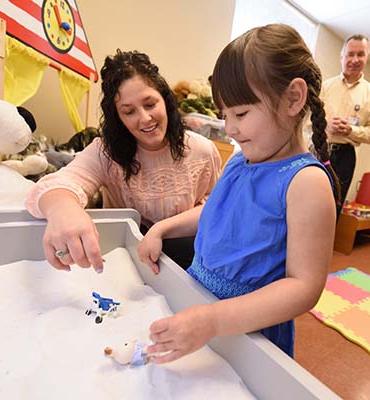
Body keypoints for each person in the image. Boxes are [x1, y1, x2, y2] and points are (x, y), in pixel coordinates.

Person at [138, 24, 338, 363]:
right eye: (225, 115)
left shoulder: (306, 182)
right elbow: (219, 212)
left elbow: (304, 288)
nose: (230, 128)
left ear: (293, 98)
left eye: (241, 114)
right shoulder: (240, 160)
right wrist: (162, 228)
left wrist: (214, 320)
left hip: (248, 330)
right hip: (199, 303)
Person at [26, 50, 221, 271]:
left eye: (150, 104)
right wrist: (63, 209)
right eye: (129, 112)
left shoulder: (202, 150)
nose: (145, 119)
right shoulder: (106, 152)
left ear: (165, 101)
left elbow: (216, 208)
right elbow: (56, 186)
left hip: (185, 257)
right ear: (118, 118)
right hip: (126, 256)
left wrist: (161, 230)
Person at [321, 34, 370, 205]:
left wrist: (351, 130)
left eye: (360, 54)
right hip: (318, 150)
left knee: (335, 204)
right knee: (306, 199)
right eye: (350, 54)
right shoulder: (324, 87)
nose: (355, 59)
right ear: (342, 56)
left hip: (345, 156)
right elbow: (305, 120)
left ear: (367, 56)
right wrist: (325, 125)